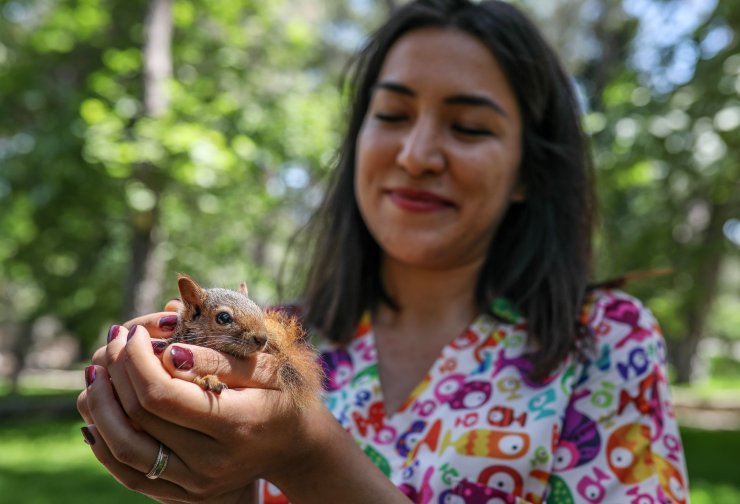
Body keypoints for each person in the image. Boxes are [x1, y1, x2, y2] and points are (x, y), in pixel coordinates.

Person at [77, 0, 690, 502]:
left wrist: (313, 463)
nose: (417, 155)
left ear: (528, 170)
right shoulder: (296, 333)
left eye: (469, 127)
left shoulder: (607, 341)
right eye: (392, 114)